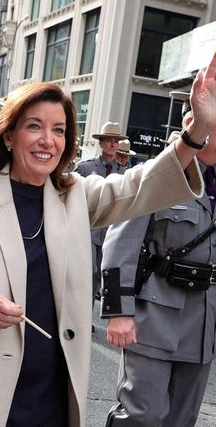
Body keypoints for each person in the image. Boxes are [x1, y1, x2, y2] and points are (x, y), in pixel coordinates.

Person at [0, 45, 216, 426]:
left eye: (58, 130)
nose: (47, 140)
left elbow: (139, 187)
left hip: (55, 385)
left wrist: (196, 131)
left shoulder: (75, 194)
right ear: (9, 136)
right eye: (34, 126)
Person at [100, 69, 216, 427]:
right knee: (140, 415)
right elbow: (122, 243)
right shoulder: (158, 176)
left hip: (203, 322)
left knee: (182, 419)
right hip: (154, 316)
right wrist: (119, 311)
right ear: (194, 121)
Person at [74, 122, 128, 305]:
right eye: (109, 141)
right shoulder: (85, 168)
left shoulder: (124, 173)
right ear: (101, 143)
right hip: (87, 229)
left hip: (110, 232)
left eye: (116, 141)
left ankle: (86, 315)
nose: (113, 145)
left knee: (98, 275)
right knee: (85, 273)